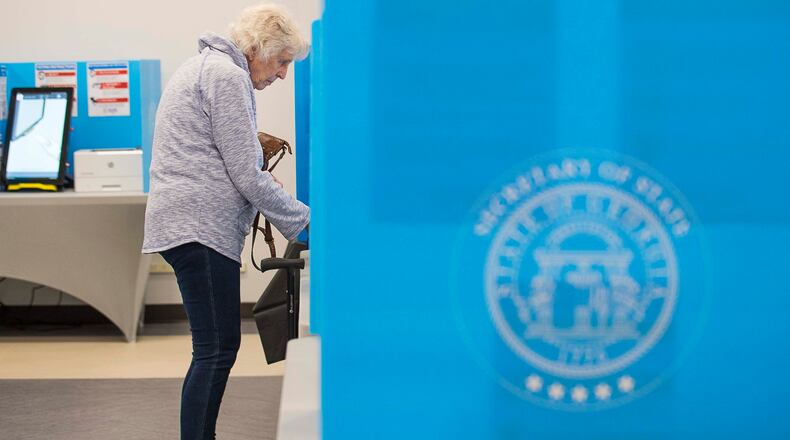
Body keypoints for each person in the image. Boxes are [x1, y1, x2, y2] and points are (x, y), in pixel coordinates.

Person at [142, 4, 310, 439]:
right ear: (257, 48)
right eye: (282, 61)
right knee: (216, 350)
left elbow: (231, 164)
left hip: (187, 224)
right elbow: (245, 173)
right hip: (199, 227)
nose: (283, 74)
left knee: (214, 348)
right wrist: (309, 225)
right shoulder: (226, 76)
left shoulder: (206, 68)